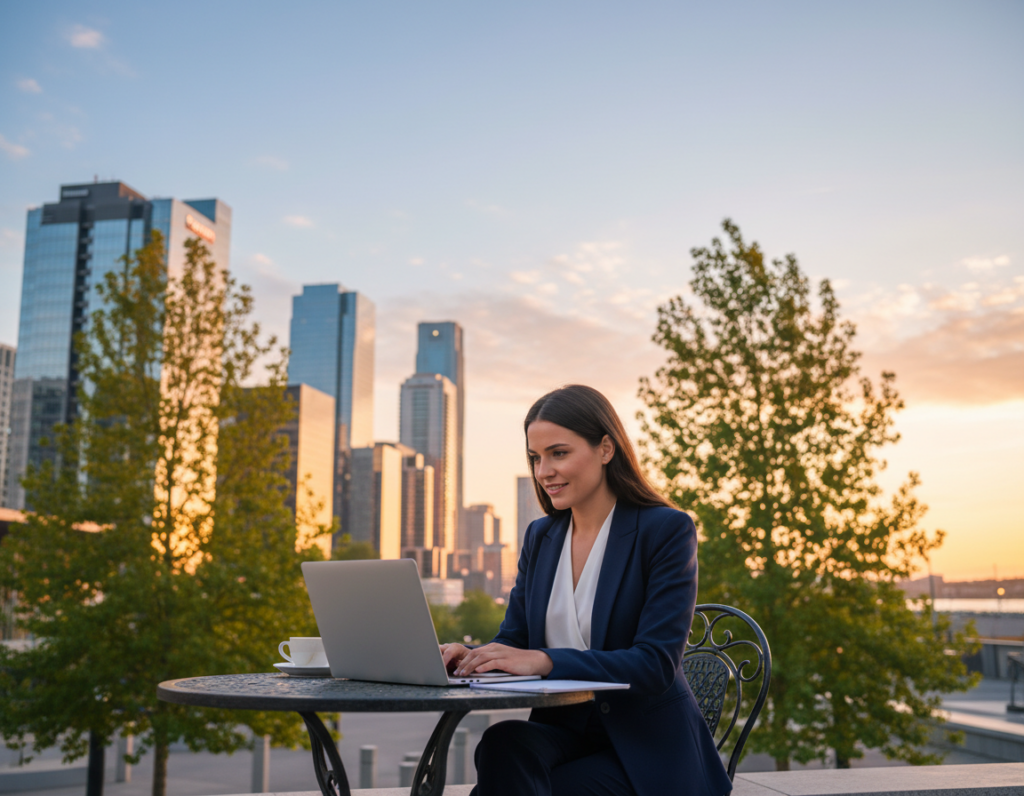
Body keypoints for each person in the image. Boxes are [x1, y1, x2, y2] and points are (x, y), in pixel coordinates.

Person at [441, 385, 733, 796]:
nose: (543, 471)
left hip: (647, 752)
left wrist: (544, 661)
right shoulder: (540, 537)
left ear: (606, 449)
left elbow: (654, 664)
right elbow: (515, 641)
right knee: (503, 743)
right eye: (535, 457)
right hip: (566, 734)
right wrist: (471, 658)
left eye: (558, 453)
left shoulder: (665, 530)